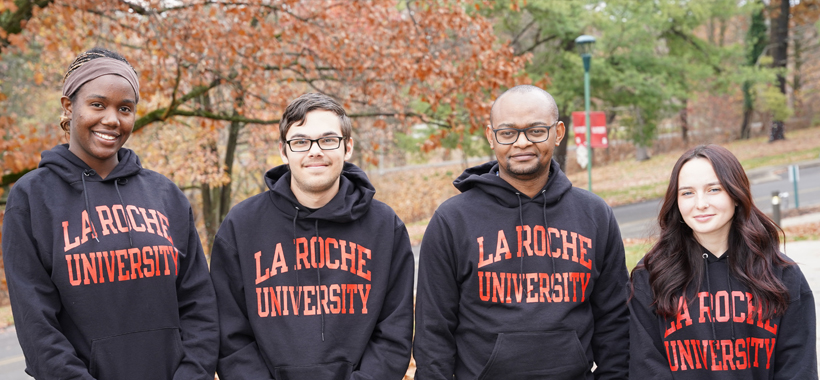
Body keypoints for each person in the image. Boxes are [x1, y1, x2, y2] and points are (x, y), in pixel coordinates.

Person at [2, 47, 218, 379]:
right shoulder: (31, 198)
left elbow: (199, 305)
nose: (112, 119)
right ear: (69, 106)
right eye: (98, 105)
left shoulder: (166, 196)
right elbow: (37, 326)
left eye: (125, 108)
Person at [413, 85, 629, 379]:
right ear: (491, 136)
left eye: (537, 131)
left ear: (558, 132)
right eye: (508, 133)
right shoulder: (453, 220)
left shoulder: (594, 214)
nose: (522, 143)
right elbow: (433, 331)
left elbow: (614, 322)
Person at [210, 92, 415, 380]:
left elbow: (394, 333)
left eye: (328, 140)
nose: (315, 151)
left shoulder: (385, 227)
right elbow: (230, 336)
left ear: (348, 147)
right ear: (284, 151)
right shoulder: (241, 226)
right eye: (301, 141)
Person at [629, 144, 817, 378]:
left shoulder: (781, 274)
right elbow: (646, 365)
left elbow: (798, 367)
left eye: (713, 189)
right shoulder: (650, 276)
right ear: (675, 201)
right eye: (687, 193)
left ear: (736, 195)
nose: (700, 204)